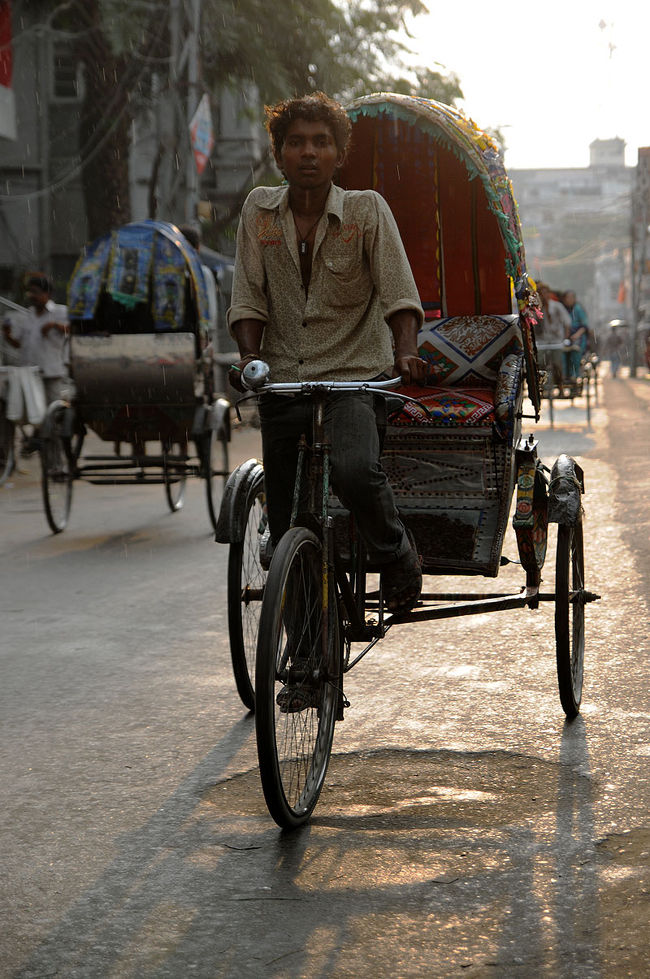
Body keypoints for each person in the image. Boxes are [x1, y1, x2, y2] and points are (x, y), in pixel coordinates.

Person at [227, 92, 426, 619]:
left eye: (321, 143)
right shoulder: (259, 212)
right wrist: (249, 357)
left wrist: (405, 351)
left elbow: (399, 293)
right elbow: (248, 295)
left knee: (355, 470)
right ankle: (303, 654)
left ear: (339, 154)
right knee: (292, 521)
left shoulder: (365, 211)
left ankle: (396, 552)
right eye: (296, 143)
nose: (308, 153)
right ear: (279, 154)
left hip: (355, 377)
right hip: (284, 379)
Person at [2, 273, 69, 405]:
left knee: (53, 409)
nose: (31, 296)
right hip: (30, 373)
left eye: (35, 292)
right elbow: (18, 344)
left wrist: (54, 325)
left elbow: (73, 330)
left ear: (47, 294)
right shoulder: (27, 315)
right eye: (29, 292)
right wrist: (7, 335)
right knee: (34, 411)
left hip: (51, 372)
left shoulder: (60, 312)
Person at [536, 283, 571, 387]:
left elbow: (567, 322)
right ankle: (540, 386)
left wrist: (566, 337)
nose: (544, 295)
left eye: (546, 293)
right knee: (540, 364)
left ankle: (560, 385)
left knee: (557, 364)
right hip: (541, 341)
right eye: (541, 293)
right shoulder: (534, 309)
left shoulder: (556, 306)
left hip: (556, 341)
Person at [562, 289, 589, 379]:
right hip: (564, 337)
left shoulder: (578, 309)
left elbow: (584, 326)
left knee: (575, 352)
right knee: (561, 354)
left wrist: (576, 335)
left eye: (571, 297)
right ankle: (564, 375)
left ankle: (575, 374)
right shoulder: (562, 309)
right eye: (567, 297)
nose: (569, 299)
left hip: (578, 337)